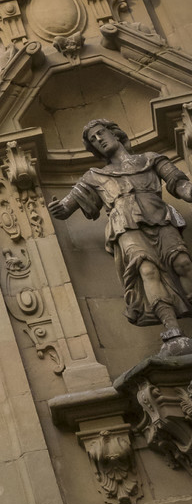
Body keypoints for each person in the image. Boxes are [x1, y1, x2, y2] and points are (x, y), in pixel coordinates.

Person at [51, 118, 192, 352]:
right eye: (93, 140)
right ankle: (171, 329)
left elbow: (179, 183)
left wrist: (188, 191)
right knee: (147, 269)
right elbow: (68, 205)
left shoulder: (150, 159)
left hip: (159, 217)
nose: (99, 140)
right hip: (124, 225)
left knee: (183, 262)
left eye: (100, 133)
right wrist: (60, 209)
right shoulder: (94, 176)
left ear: (114, 133)